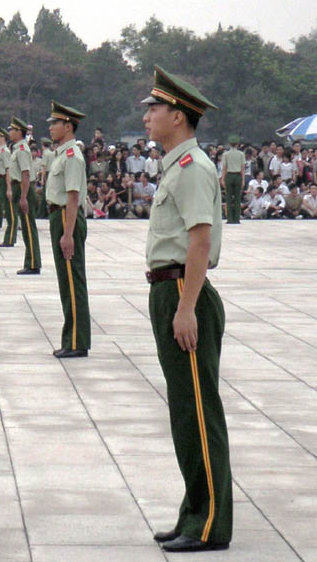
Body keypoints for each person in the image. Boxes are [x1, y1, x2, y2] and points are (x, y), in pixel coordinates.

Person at [141, 65, 232, 553]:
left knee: (199, 411)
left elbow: (199, 241)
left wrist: (188, 307)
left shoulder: (192, 168)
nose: (148, 116)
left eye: (154, 108)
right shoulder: (177, 166)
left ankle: (210, 522)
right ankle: (193, 512)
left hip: (182, 292)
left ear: (178, 115)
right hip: (169, 291)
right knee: (185, 412)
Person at [45, 101, 91, 358]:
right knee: (66, 281)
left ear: (68, 126)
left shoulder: (73, 156)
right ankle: (71, 337)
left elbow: (73, 197)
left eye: (55, 124)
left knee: (73, 282)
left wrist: (68, 233)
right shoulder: (62, 154)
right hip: (58, 216)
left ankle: (77, 341)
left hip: (66, 217)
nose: (51, 128)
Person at [7, 117, 41, 274]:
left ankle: (33, 263)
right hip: (18, 187)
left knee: (28, 227)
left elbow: (25, 174)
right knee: (26, 228)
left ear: (19, 132)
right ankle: (30, 261)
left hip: (23, 189)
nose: (9, 132)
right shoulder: (17, 148)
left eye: (12, 130)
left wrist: (23, 197)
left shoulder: (22, 150)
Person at [221, 135, 244, 224]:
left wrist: (223, 179)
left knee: (228, 198)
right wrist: (243, 180)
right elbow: (242, 168)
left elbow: (224, 168)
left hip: (229, 176)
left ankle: (230, 219)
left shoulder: (225, 154)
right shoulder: (241, 154)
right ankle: (237, 219)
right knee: (238, 198)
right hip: (238, 175)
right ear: (238, 143)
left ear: (229, 144)